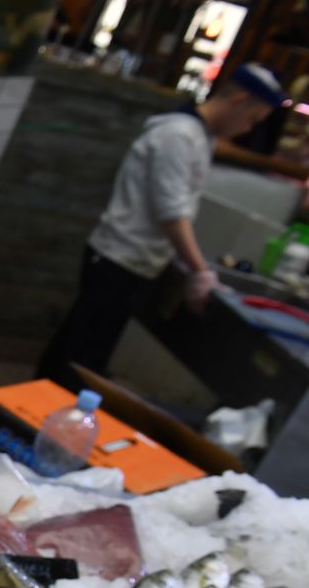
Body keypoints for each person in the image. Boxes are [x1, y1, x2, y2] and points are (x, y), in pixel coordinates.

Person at [36, 62, 285, 387]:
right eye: (253, 119)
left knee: (74, 349)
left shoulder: (199, 137)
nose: (248, 129)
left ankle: (30, 413)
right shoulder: (178, 135)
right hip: (118, 258)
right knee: (80, 356)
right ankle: (39, 420)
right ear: (239, 100)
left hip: (132, 261)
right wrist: (200, 271)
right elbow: (171, 213)